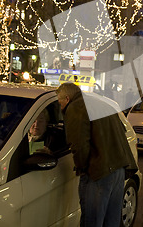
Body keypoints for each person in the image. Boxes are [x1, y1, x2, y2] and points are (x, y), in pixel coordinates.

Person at [56, 82, 137, 227]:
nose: (60, 106)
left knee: (92, 221)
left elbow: (78, 143)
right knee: (111, 221)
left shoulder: (76, 108)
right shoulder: (101, 102)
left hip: (99, 173)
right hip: (118, 169)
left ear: (67, 99)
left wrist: (82, 167)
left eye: (59, 103)